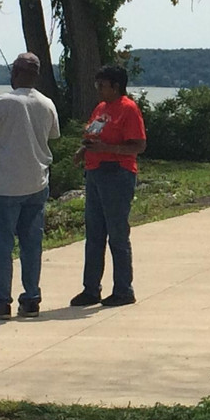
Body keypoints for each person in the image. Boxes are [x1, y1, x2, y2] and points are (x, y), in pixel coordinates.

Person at [0, 52, 60, 320]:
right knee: (32, 245)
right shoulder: (47, 103)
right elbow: (53, 134)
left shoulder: (3, 102)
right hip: (37, 182)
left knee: (0, 246)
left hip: (5, 184)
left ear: (14, 73)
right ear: (37, 75)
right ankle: (31, 300)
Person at [70, 66, 147, 308]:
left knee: (117, 234)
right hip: (94, 173)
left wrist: (107, 149)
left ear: (116, 86)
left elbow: (138, 146)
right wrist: (85, 149)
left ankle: (124, 290)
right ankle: (91, 289)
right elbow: (94, 135)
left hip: (117, 174)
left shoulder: (128, 109)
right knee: (94, 235)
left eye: (102, 85)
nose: (98, 89)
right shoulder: (101, 108)